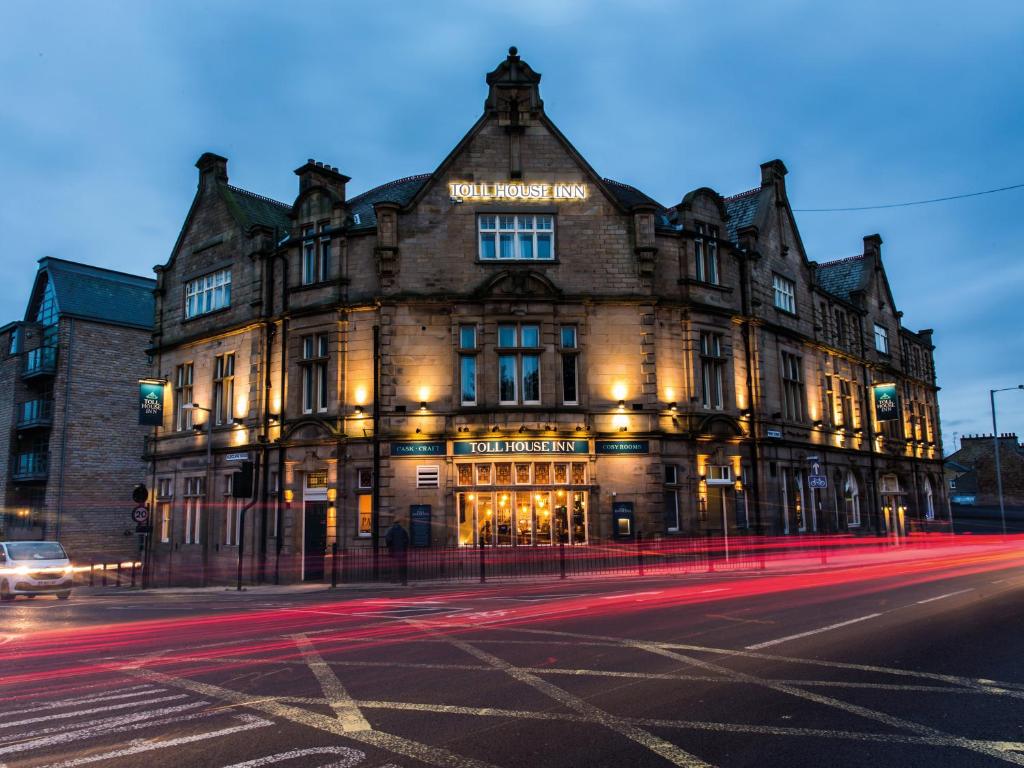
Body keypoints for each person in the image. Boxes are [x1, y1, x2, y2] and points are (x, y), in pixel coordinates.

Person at [384, 519, 410, 584]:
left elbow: (388, 540)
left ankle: (394, 580)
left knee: (394, 566)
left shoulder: (390, 531)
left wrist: (389, 546)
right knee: (402, 567)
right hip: (402, 551)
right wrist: (404, 548)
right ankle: (403, 580)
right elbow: (407, 540)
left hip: (393, 551)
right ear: (399, 523)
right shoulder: (403, 530)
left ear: (394, 523)